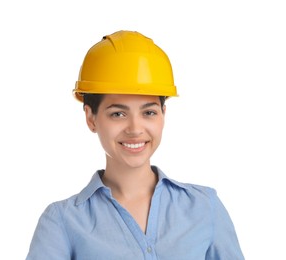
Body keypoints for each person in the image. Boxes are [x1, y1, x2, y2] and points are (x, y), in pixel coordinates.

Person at [26, 30, 245, 260]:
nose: (135, 129)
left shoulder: (204, 208)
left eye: (149, 112)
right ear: (91, 118)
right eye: (118, 113)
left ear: (163, 114)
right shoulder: (62, 222)